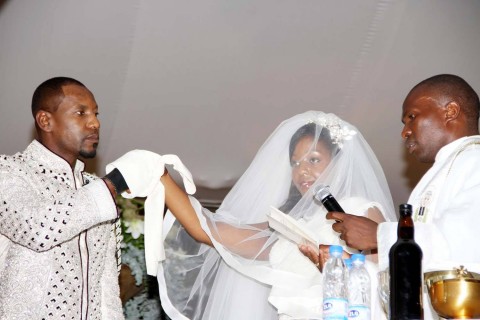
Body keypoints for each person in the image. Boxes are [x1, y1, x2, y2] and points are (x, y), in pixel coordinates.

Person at [156, 111, 396, 319]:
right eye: (295, 163)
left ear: (339, 162)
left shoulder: (362, 210)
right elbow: (206, 230)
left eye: (313, 159)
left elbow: (389, 285)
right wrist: (160, 177)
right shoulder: (289, 225)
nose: (302, 170)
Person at [323, 74, 480, 319]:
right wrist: (351, 271)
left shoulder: (475, 160)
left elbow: (466, 237)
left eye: (412, 117)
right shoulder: (439, 173)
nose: (405, 132)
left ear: (450, 111)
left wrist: (379, 235)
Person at [0, 77, 129, 319]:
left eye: (96, 114)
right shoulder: (9, 172)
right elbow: (38, 229)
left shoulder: (93, 188)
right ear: (45, 120)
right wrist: (113, 184)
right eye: (81, 113)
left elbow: (106, 287)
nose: (95, 123)